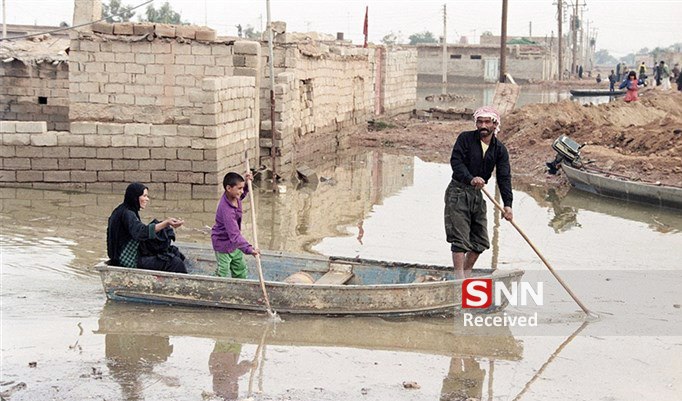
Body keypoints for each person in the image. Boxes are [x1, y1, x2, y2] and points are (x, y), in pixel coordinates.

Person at [444, 106, 513, 280]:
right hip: (458, 191)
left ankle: (465, 274)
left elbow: (504, 177)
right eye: (480, 121)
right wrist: (470, 178)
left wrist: (507, 205)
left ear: (494, 124)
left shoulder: (499, 149)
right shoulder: (465, 139)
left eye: (487, 122)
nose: (483, 125)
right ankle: (459, 280)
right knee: (459, 240)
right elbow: (456, 162)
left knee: (480, 242)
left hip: (477, 195)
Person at [107, 182, 187, 273]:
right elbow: (140, 232)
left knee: (173, 251)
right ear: (135, 197)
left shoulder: (125, 209)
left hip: (133, 252)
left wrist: (165, 224)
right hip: (128, 259)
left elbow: (138, 231)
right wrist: (166, 223)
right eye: (144, 196)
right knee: (174, 262)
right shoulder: (127, 213)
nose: (147, 199)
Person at [212, 172, 260, 278]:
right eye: (239, 188)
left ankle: (241, 286)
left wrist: (247, 184)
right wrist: (249, 249)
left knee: (240, 268)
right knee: (222, 272)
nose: (241, 191)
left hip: (234, 243)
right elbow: (235, 234)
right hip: (222, 243)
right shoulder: (226, 210)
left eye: (242, 188)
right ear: (228, 188)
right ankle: (213, 285)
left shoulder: (234, 197)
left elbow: (240, 195)